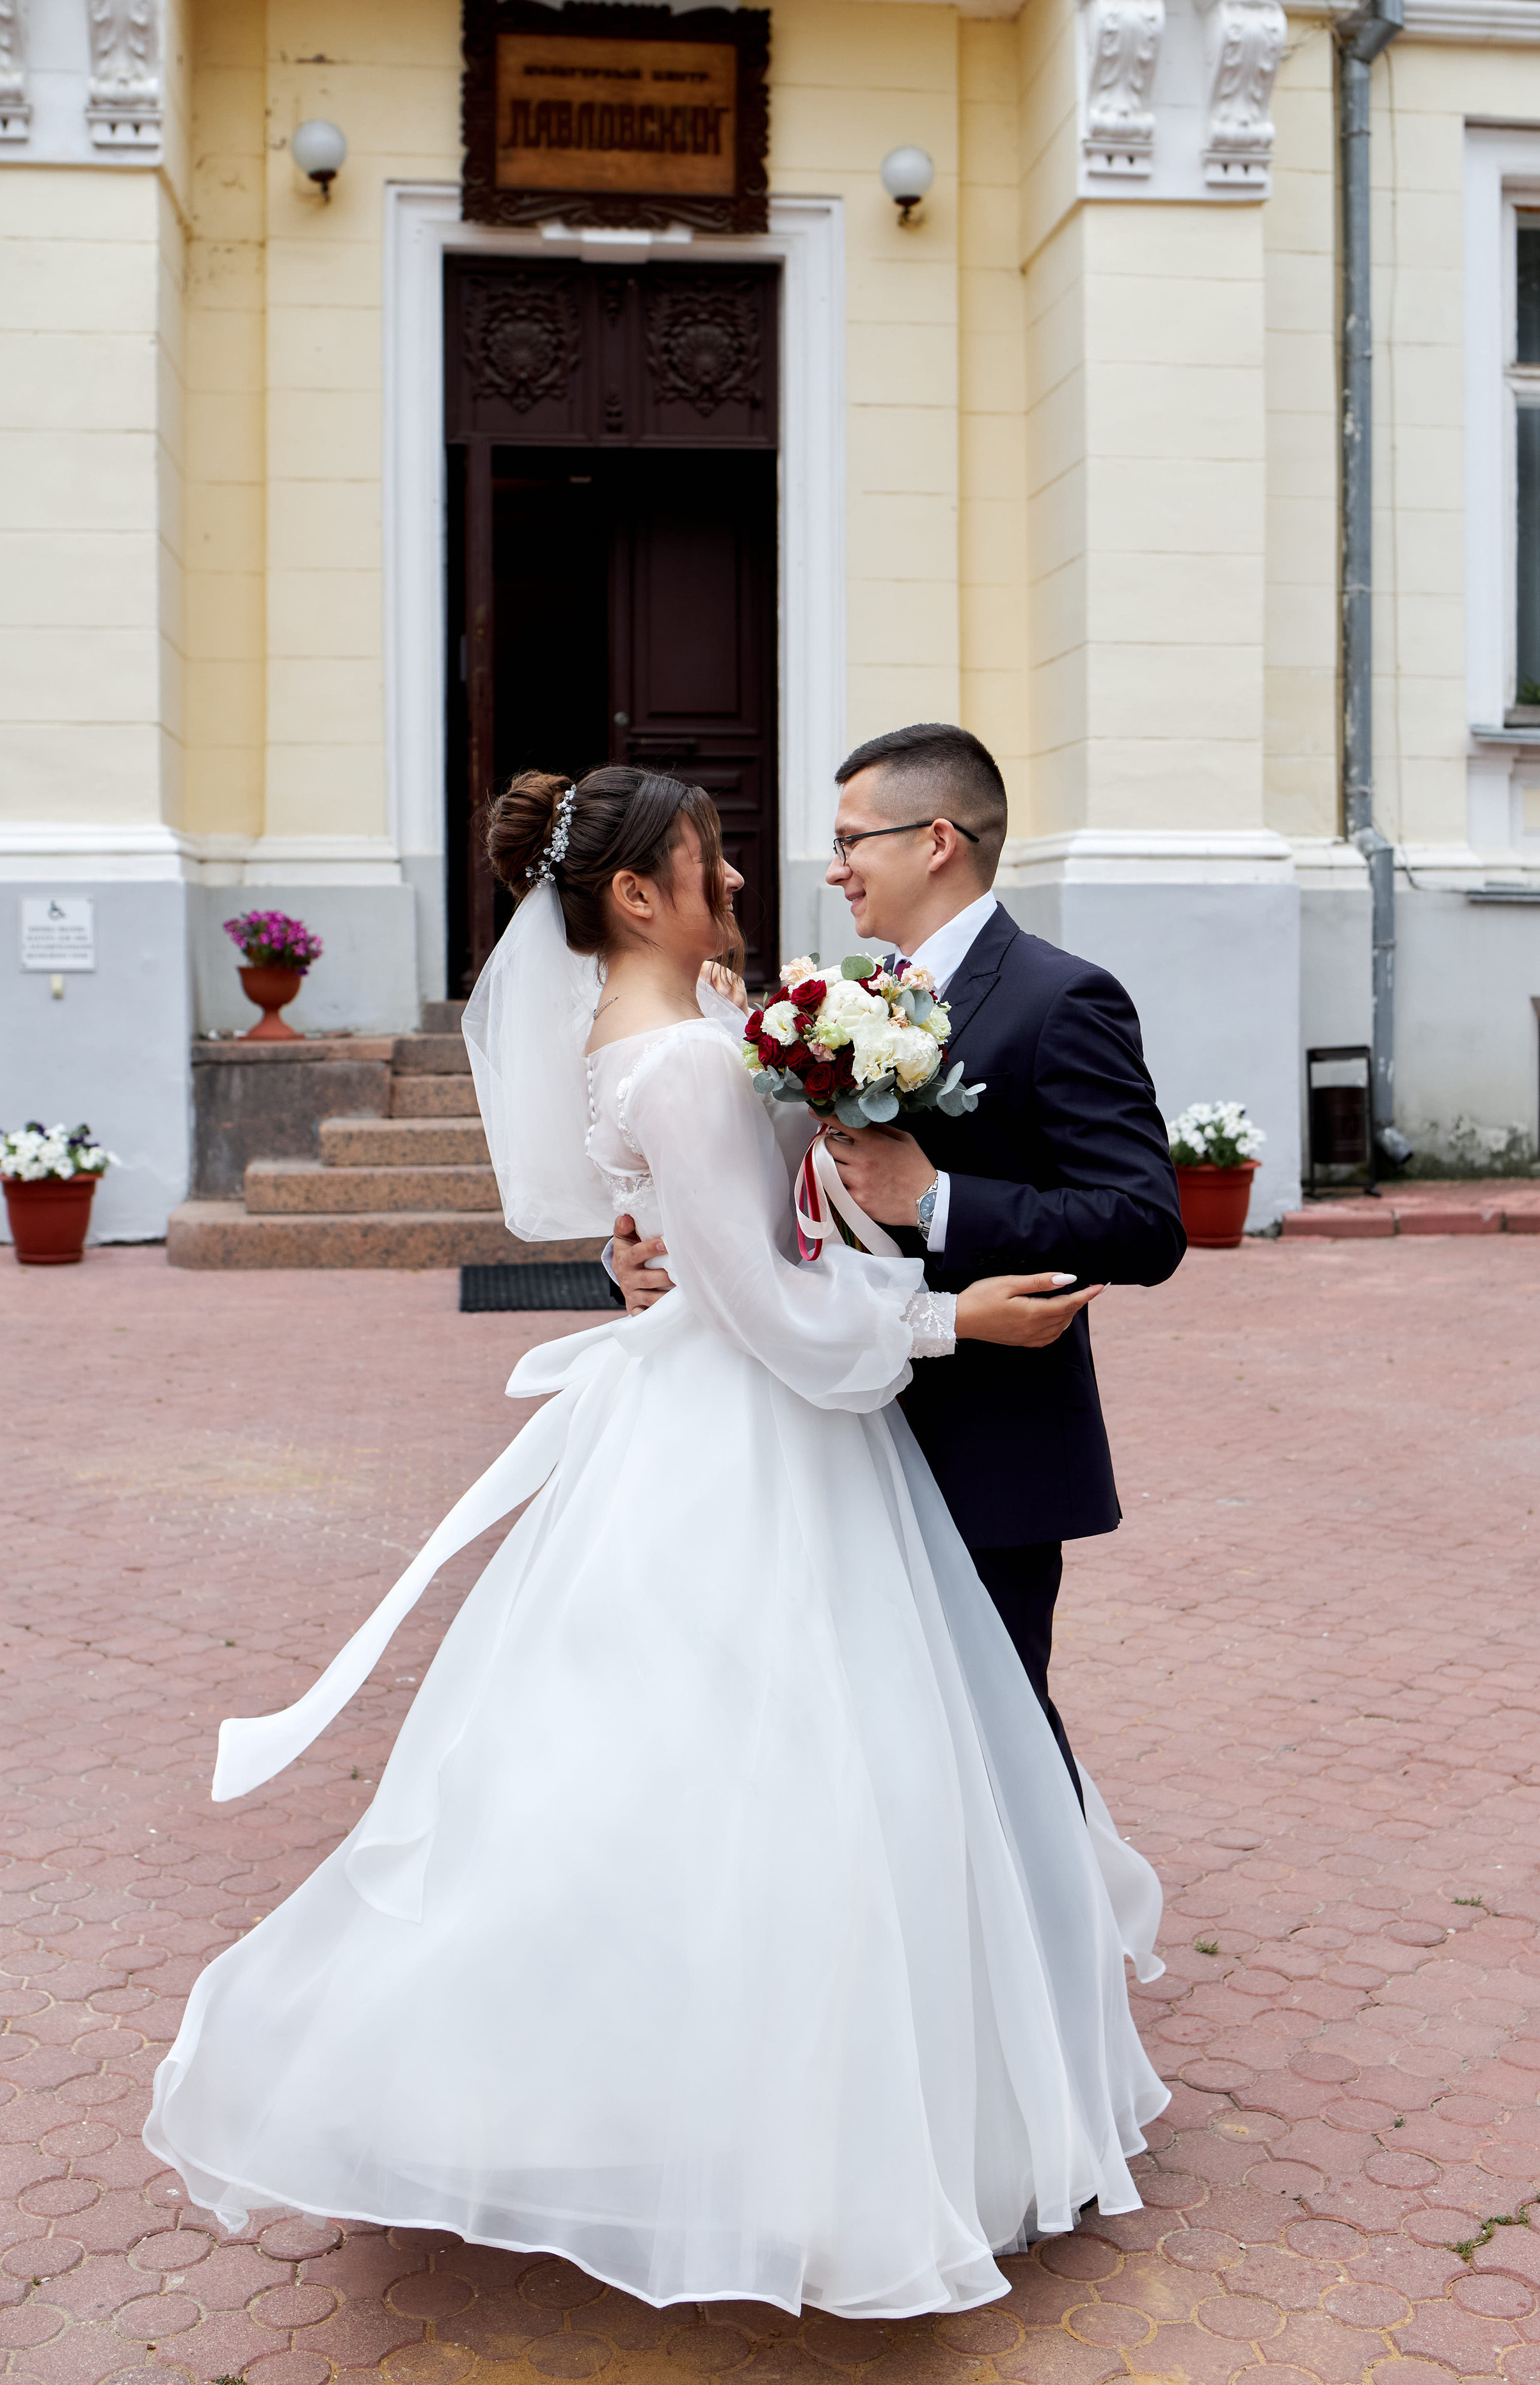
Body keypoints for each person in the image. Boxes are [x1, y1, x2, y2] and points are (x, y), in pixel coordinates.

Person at [144, 763, 1168, 2318]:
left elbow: (731, 1243)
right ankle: (792, 2140)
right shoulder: (685, 1061)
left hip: (716, 1425)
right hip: (755, 1435)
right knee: (790, 1780)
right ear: (635, 892)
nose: (746, 879)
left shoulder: (675, 1036)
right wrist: (941, 1315)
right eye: (713, 860)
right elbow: (771, 1312)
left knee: (699, 1782)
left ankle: (691, 2099)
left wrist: (707, 1218)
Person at [615, 726, 1185, 1802]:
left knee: (996, 1729)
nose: (831, 869)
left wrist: (940, 1199)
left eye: (847, 841)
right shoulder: (833, 1003)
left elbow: (1144, 1221)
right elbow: (745, 1190)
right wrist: (645, 1251)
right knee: (876, 1741)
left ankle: (1046, 1961)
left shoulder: (1063, 998)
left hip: (988, 1438)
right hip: (832, 1434)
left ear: (935, 840)